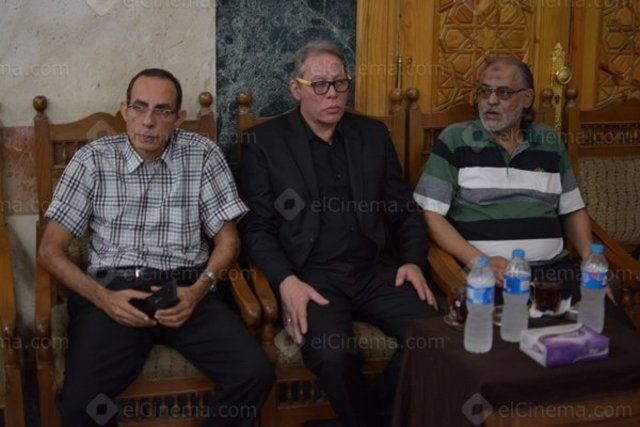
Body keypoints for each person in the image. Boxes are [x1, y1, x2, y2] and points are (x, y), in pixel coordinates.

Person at [38, 68, 274, 426]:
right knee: (81, 402)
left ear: (178, 117)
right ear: (124, 110)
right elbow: (50, 251)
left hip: (185, 288)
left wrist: (198, 291)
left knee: (254, 373)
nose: (148, 121)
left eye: (162, 110)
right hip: (114, 291)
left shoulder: (203, 155)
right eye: (139, 107)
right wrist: (103, 299)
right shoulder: (93, 160)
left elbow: (229, 240)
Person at [238, 41, 439, 427]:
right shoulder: (265, 143)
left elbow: (404, 210)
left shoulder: (373, 135)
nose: (332, 93)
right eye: (319, 85)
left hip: (375, 271)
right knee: (334, 355)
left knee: (435, 337)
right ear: (296, 89)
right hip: (312, 278)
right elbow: (256, 228)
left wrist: (413, 262)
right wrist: (286, 281)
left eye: (340, 83)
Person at [415, 56, 635, 329]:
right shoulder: (455, 140)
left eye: (503, 93)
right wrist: (478, 261)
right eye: (485, 91)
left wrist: (591, 261)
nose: (491, 101)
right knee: (512, 348)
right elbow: (430, 215)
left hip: (555, 273)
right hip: (493, 277)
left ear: (527, 98)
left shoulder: (549, 142)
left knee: (616, 336)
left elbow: (573, 210)